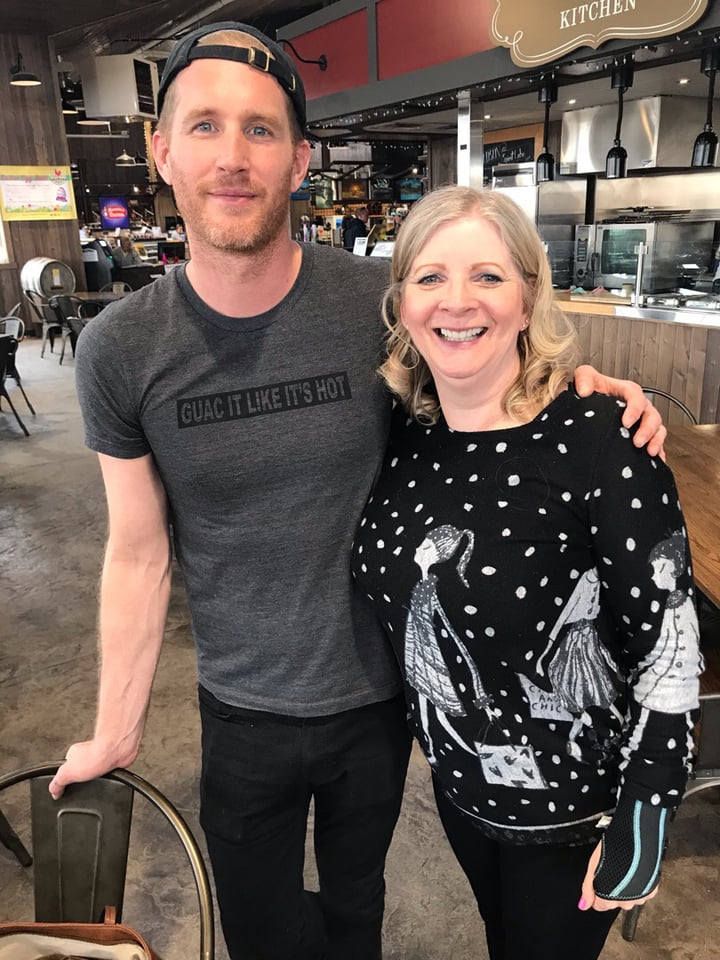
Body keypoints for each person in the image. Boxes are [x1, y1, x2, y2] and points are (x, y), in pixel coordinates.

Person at [47, 22, 665, 960]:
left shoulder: (381, 300)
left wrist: (587, 393)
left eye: (261, 130)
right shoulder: (120, 350)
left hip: (380, 705)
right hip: (239, 709)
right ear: (161, 149)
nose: (233, 157)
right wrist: (113, 732)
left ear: (300, 159)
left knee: (356, 919)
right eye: (204, 126)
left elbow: (483, 359)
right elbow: (139, 550)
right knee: (260, 932)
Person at [351, 185, 703, 960]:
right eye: (430, 277)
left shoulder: (601, 439)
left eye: (487, 275)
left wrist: (643, 824)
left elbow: (669, 648)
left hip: (577, 814)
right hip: (461, 790)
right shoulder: (409, 435)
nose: (456, 300)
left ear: (528, 296)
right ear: (402, 301)